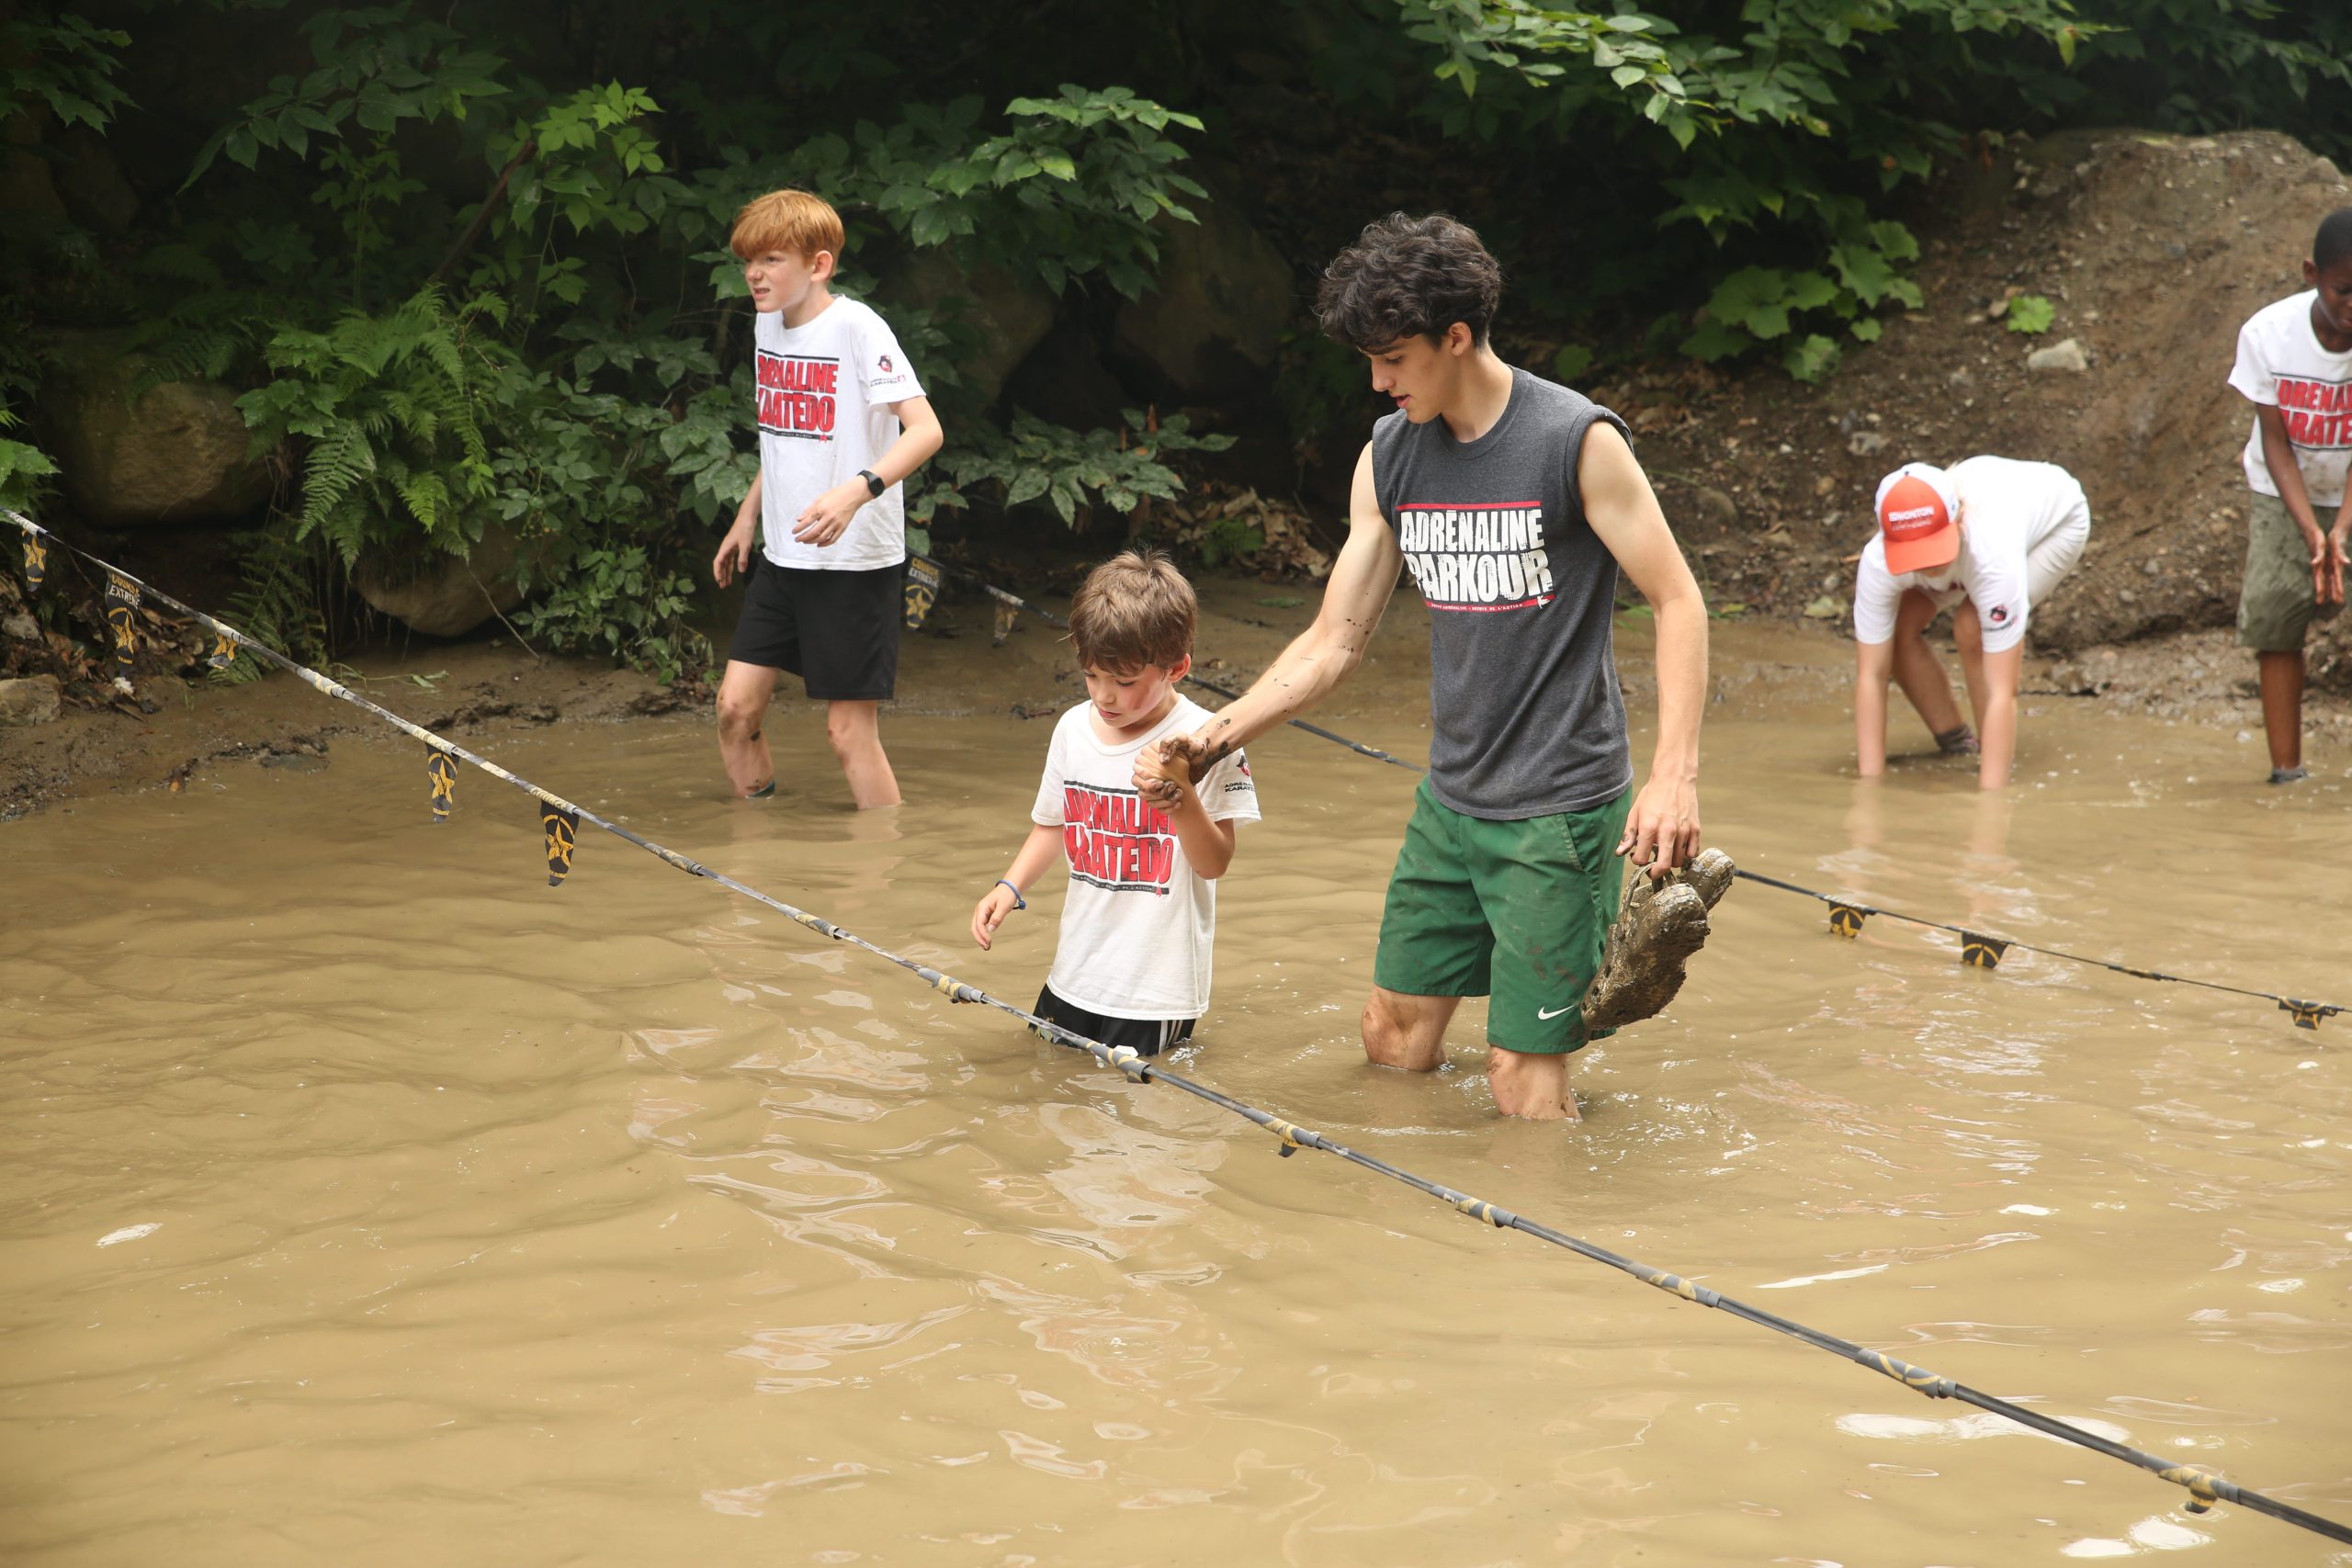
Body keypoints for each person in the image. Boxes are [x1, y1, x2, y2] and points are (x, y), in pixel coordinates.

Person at [1144, 212, 1708, 1122]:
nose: (1377, 381)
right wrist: (1204, 741)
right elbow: (1333, 641)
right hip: (1451, 802)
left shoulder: (1576, 440)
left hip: (1558, 811)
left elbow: (1678, 601)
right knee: (1392, 1038)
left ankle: (1553, 1158)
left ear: (1455, 337)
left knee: (1521, 1085)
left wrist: (1673, 777)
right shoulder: (1391, 456)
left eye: (1392, 359)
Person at [969, 550, 1261, 1058]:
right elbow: (1054, 825)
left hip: (1155, 990)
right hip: (1074, 973)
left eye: (1124, 682)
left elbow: (1214, 864)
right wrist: (1009, 886)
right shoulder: (1072, 729)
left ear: (1176, 668)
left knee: (1137, 1105)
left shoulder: (1206, 742)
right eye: (1092, 676)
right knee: (1047, 1081)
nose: (1105, 696)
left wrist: (1181, 798)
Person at [709, 188, 944, 807]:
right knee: (734, 710)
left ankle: (885, 859)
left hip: (853, 562)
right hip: (784, 555)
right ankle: (755, 847)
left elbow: (926, 430)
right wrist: (746, 516)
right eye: (748, 261)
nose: (754, 275)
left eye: (771, 260)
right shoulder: (766, 324)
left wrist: (856, 493)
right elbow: (784, 434)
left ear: (819, 265)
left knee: (847, 734)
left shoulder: (858, 328)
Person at [1850, 457, 2092, 790]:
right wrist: (1867, 790)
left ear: (1959, 517)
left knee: (1972, 628)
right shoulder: (1877, 561)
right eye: (1914, 554)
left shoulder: (1992, 553)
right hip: (1969, 550)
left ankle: (1991, 759)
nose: (1927, 566)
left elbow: (2002, 692)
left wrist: (1991, 803)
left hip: (2057, 525)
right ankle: (1958, 744)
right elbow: (1870, 676)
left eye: (1931, 549)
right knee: (1895, 633)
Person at [2228, 206, 2352, 784]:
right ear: (2311, 274)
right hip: (2282, 489)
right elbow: (2274, 442)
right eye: (2343, 291)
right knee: (2277, 623)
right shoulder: (2267, 335)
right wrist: (2309, 529)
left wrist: (2341, 528)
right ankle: (2287, 774)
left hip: (2346, 486)